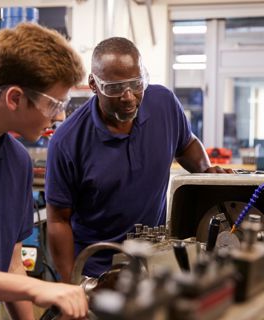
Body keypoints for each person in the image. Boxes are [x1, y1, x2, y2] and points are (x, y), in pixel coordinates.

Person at [45, 36, 233, 282]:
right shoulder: (67, 141)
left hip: (154, 262)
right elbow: (58, 220)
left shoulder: (163, 104)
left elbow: (186, 143)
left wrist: (206, 171)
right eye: (115, 88)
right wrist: (72, 284)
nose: (128, 96)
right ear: (93, 84)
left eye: (136, 83)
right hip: (97, 272)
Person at [0, 23, 88, 320]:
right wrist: (32, 289)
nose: (60, 115)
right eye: (54, 104)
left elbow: (12, 262)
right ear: (14, 98)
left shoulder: (18, 162)